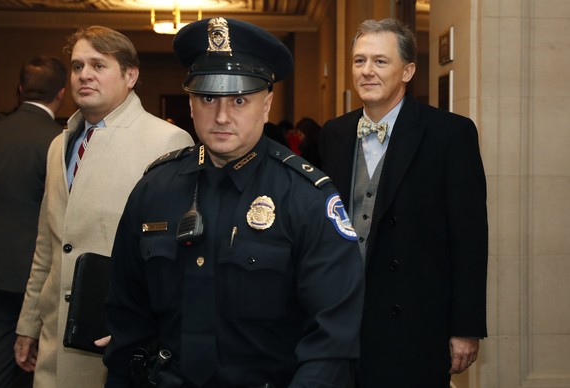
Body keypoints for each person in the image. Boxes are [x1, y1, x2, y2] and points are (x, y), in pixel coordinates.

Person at [103, 17, 365, 388]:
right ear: (191, 104)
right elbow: (127, 321)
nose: (222, 116)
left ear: (267, 103)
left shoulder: (306, 197)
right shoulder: (154, 190)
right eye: (208, 98)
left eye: (240, 99)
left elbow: (331, 341)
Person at [13, 26, 194, 388]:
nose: (84, 75)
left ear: (131, 75)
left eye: (98, 65)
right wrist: (28, 325)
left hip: (117, 340)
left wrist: (147, 326)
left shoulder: (167, 141)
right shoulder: (58, 145)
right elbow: (47, 246)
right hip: (53, 340)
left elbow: (179, 257)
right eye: (77, 66)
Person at [319, 18, 488, 387]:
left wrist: (466, 328)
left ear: (408, 70)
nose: (367, 71)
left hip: (414, 319)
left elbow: (470, 238)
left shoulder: (450, 133)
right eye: (359, 61)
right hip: (343, 317)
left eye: (380, 61)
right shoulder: (334, 133)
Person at [0, 55, 67, 388]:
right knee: (38, 362)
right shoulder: (58, 141)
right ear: (62, 93)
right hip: (36, 276)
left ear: (20, 90)